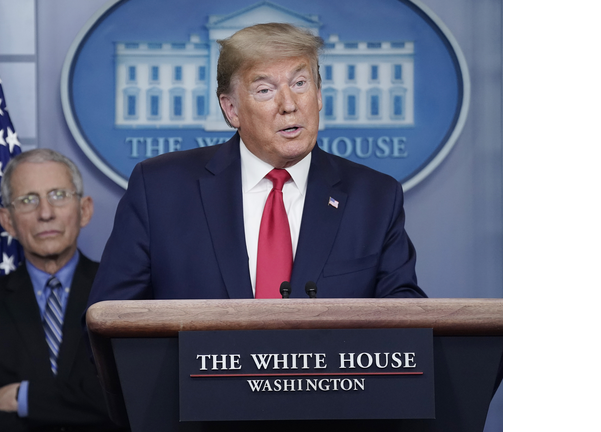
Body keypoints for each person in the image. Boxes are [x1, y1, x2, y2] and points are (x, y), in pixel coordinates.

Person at [88, 23, 426, 306]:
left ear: (319, 94)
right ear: (231, 109)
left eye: (300, 83)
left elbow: (406, 322)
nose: (289, 104)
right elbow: (108, 321)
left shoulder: (375, 197)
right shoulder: (160, 189)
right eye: (265, 90)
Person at [0, 149, 124, 432]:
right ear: (8, 221)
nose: (45, 213)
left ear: (84, 210)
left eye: (58, 195)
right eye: (28, 200)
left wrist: (23, 397)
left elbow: (123, 402)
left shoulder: (122, 298)